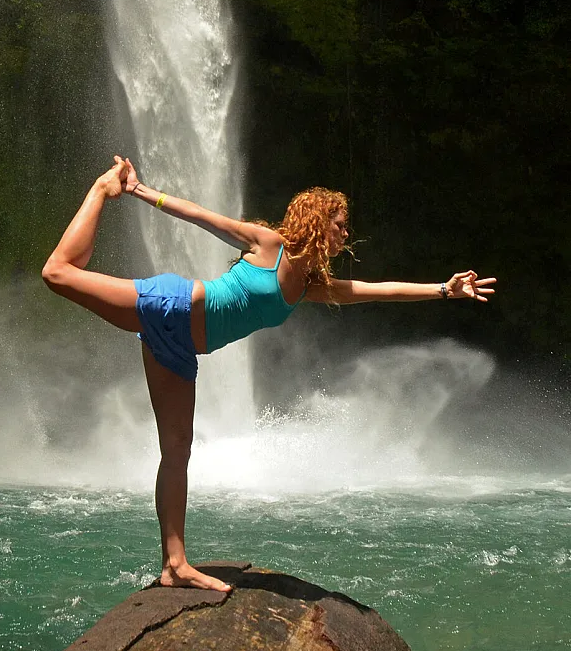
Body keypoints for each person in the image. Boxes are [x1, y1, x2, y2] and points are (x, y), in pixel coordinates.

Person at [42, 156, 496, 593]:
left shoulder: (310, 287)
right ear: (319, 221)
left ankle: (174, 565)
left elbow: (375, 291)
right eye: (340, 223)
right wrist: (137, 191)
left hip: (180, 350)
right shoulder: (268, 245)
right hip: (172, 305)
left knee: (178, 449)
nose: (346, 233)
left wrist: (442, 289)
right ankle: (102, 189)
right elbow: (202, 216)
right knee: (58, 274)